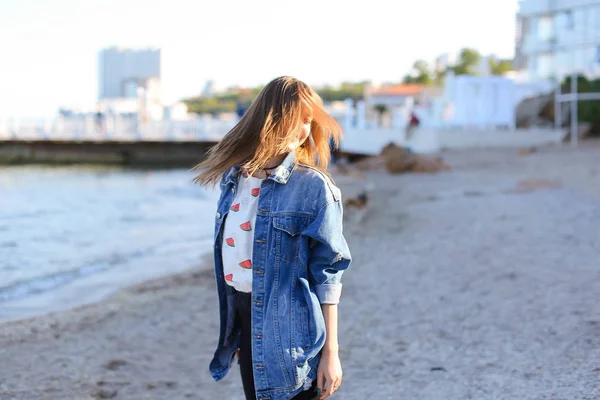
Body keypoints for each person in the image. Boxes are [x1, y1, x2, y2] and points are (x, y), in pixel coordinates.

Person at [194, 76, 352, 400]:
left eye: (309, 121)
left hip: (289, 327)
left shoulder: (313, 188)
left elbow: (329, 273)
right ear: (272, 118)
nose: (304, 130)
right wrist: (239, 331)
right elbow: (234, 264)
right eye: (298, 119)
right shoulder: (234, 177)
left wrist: (331, 354)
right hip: (245, 318)